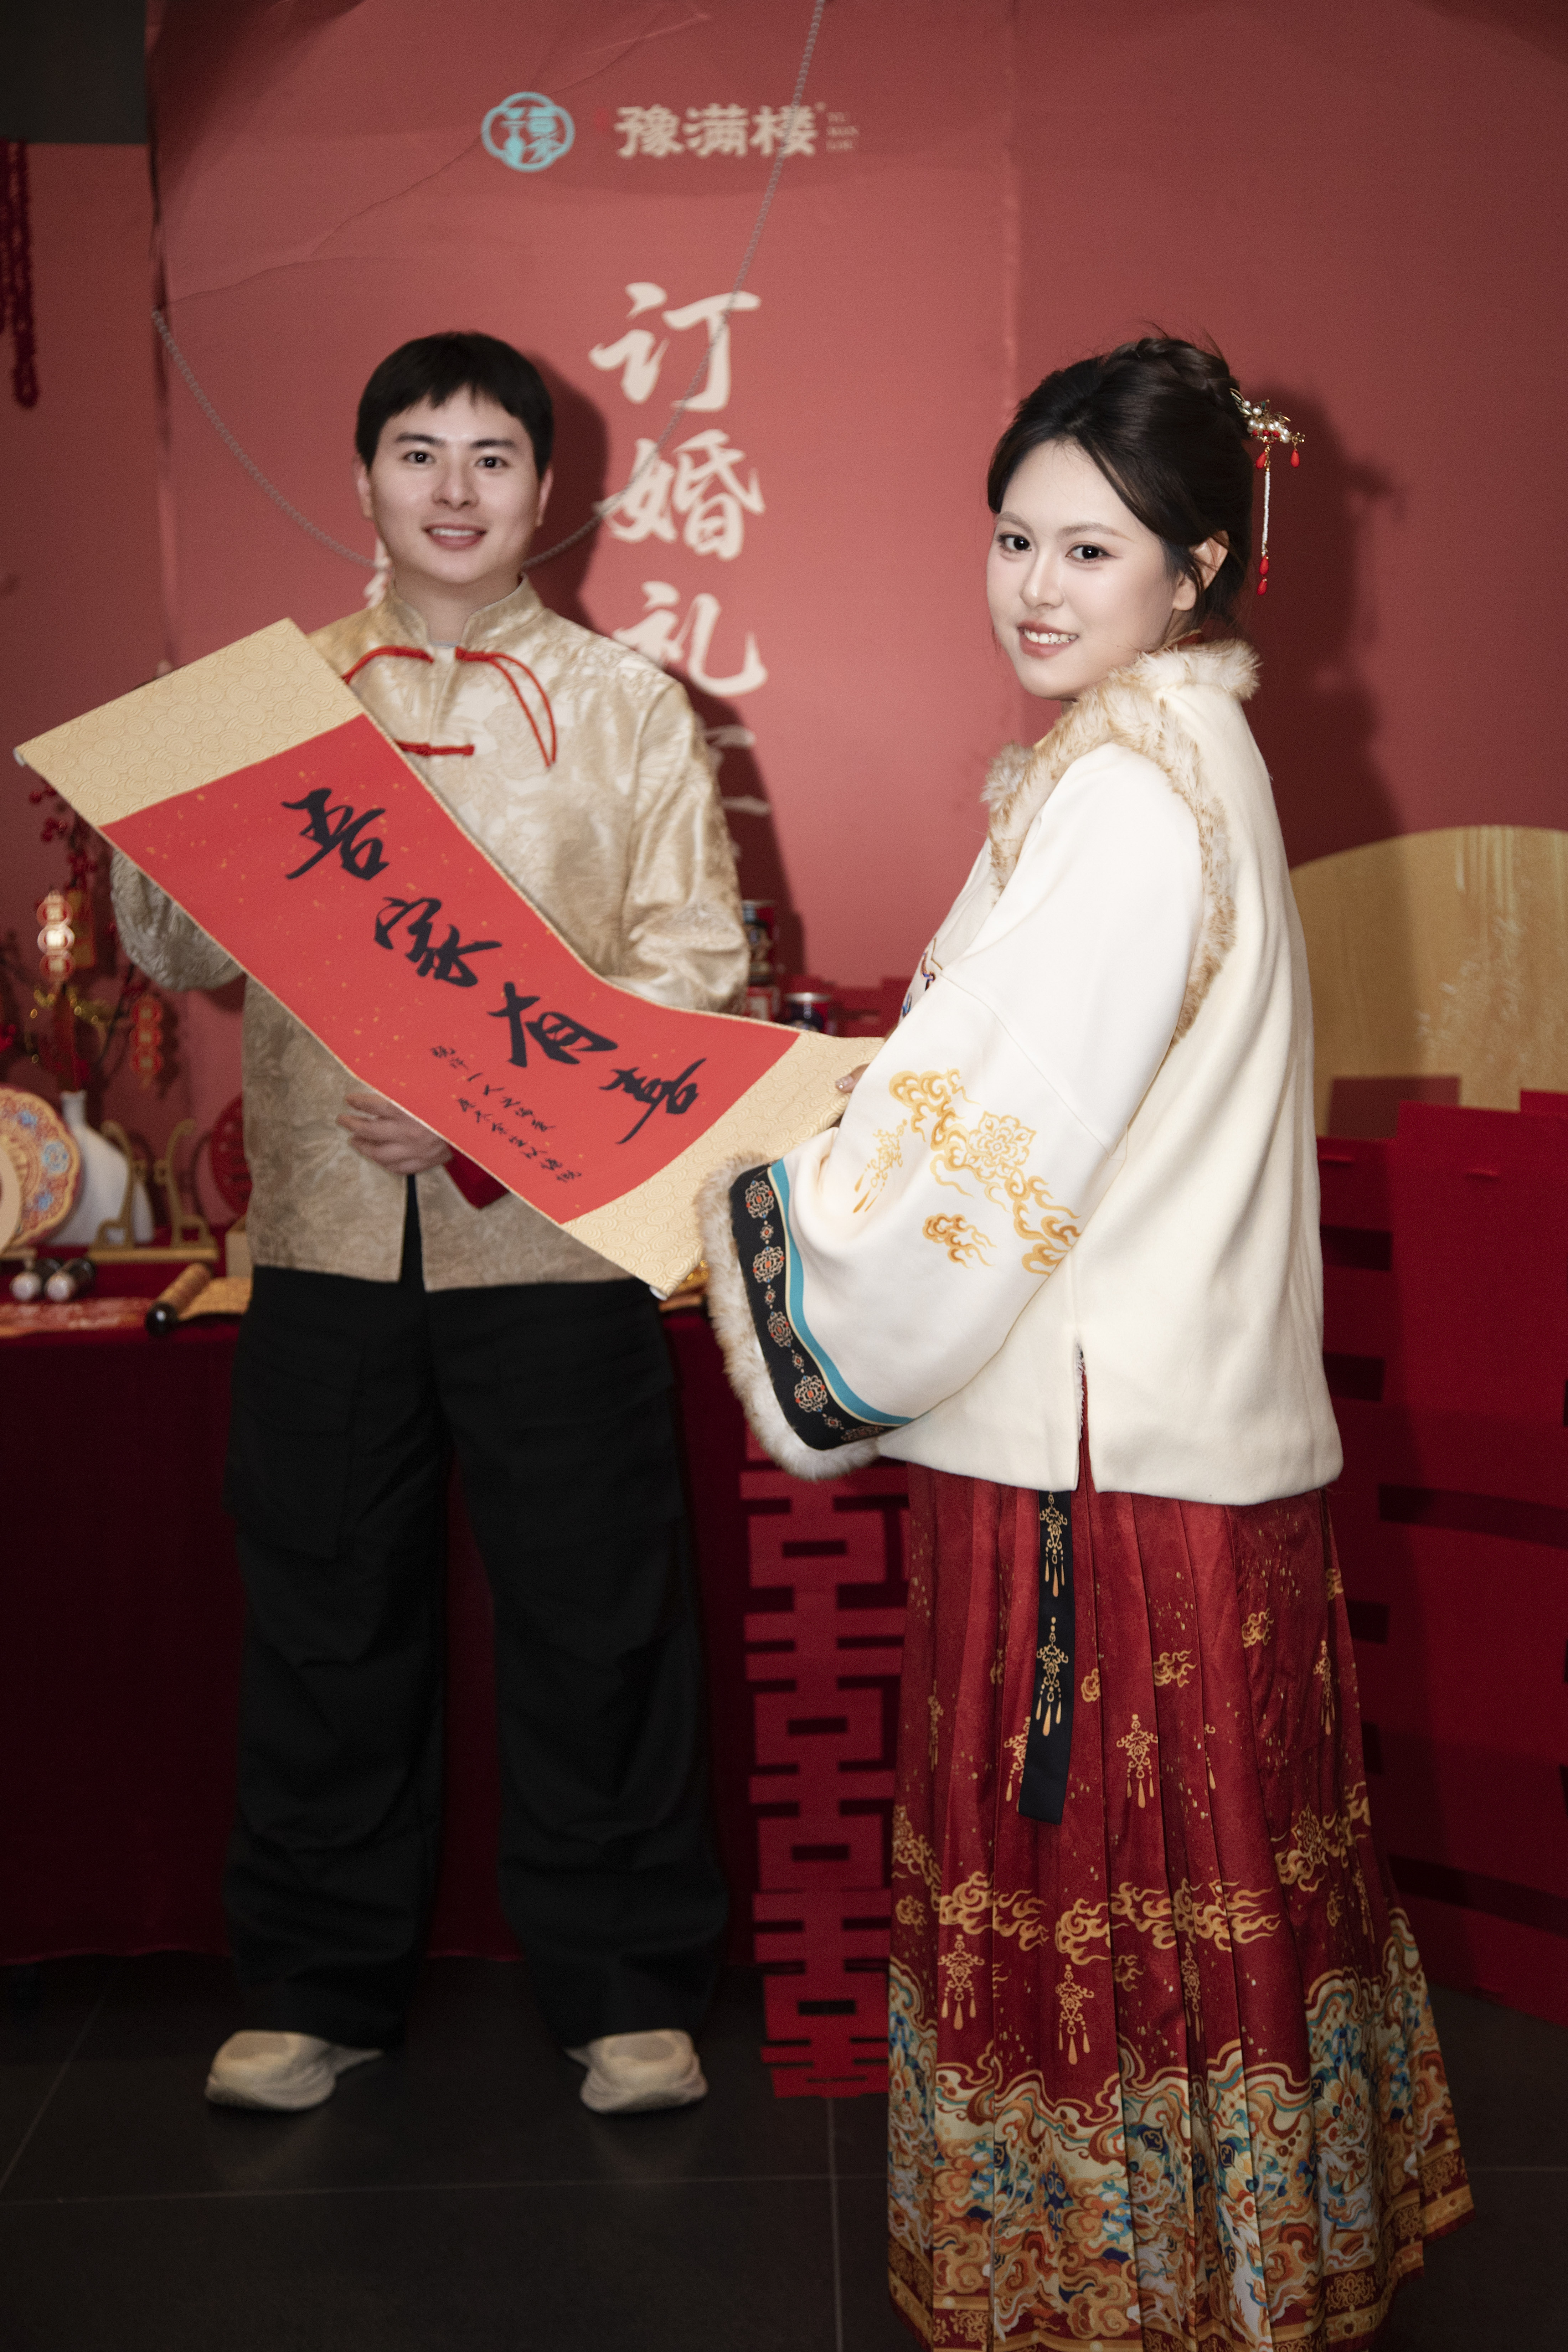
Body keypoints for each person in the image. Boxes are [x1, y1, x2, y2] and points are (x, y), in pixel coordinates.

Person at [698, 339, 1470, 2344]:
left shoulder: (1125, 791)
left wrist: (783, 1215)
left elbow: (999, 1130)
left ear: (1196, 562)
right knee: (1220, 1882)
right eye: (1013, 538)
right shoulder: (1186, 751)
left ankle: (1120, 2296)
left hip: (1095, 1461)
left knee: (1101, 1875)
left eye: (1090, 548)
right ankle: (1238, 2274)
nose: (1035, 587)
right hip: (1179, 1432)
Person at [114, 330, 747, 2116]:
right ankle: (313, 1987)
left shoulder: (626, 705)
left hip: (552, 1247)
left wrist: (490, 1104)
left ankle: (624, 1988)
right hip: (324, 1247)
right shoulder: (277, 698)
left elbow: (698, 965)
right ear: (363, 479)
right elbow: (172, 952)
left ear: (549, 489)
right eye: (417, 452)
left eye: (491, 457)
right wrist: (163, 793)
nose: (453, 490)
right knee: (324, 1625)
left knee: (596, 1620)